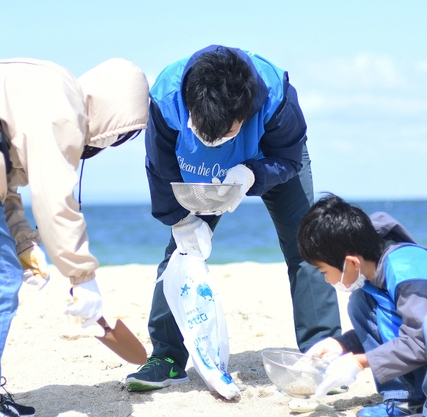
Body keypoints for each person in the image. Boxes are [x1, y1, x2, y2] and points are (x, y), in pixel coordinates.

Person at [0, 58, 149, 416]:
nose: (111, 142)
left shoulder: (47, 92)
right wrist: (82, 278)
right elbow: (55, 198)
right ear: (113, 111)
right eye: (119, 134)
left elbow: (2, 183)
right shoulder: (64, 107)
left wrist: (24, 243)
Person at [125, 45, 341, 392]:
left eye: (224, 134)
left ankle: (323, 354)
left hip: (269, 160)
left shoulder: (276, 98)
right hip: (199, 173)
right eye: (202, 130)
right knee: (182, 252)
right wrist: (180, 220)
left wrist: (253, 175)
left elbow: (289, 158)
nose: (215, 142)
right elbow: (160, 168)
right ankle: (166, 356)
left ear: (246, 112)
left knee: (307, 248)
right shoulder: (165, 99)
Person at [297, 194, 427, 417]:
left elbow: (418, 341)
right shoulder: (376, 265)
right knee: (360, 302)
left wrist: (358, 362)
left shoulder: (408, 271)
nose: (326, 280)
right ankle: (404, 399)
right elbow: (397, 325)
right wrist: (340, 345)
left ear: (352, 262)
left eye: (324, 271)